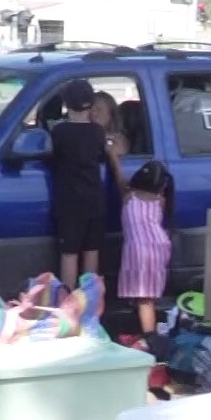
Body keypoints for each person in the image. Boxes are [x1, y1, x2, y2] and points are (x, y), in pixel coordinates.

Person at [49, 79, 123, 290]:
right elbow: (103, 154)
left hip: (70, 204)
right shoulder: (98, 133)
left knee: (70, 254)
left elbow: (51, 157)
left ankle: (69, 299)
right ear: (90, 106)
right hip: (95, 202)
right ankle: (89, 301)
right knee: (92, 251)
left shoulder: (59, 133)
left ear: (66, 105)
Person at [118, 160, 175, 334]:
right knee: (146, 296)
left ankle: (151, 340)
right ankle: (145, 330)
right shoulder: (160, 200)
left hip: (139, 249)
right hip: (160, 245)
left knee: (145, 300)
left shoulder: (128, 196)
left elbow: (119, 177)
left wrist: (113, 155)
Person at [94, 90, 129, 158]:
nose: (93, 113)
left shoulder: (118, 139)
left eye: (99, 109)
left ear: (111, 114)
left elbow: (121, 161)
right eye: (90, 109)